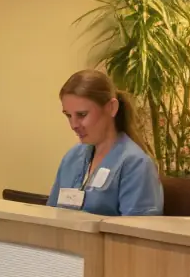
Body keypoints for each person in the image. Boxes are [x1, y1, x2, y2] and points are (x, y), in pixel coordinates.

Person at [48, 69, 164, 216]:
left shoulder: (136, 164)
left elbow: (139, 234)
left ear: (111, 108)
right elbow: (50, 216)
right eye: (68, 115)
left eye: (82, 115)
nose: (73, 125)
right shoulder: (72, 158)